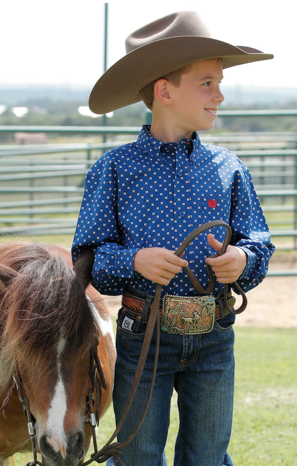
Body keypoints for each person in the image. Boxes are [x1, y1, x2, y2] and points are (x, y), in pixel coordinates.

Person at [72, 10, 275, 466]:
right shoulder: (116, 169)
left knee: (207, 455)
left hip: (215, 335)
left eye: (219, 82)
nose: (220, 95)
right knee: (139, 454)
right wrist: (135, 261)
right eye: (207, 83)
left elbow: (259, 242)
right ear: (164, 91)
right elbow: (88, 260)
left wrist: (243, 259)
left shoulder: (229, 169)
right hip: (144, 335)